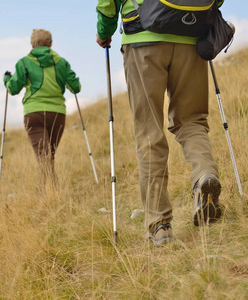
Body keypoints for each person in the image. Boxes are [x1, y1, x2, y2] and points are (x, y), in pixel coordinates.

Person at [96, 0, 224, 246]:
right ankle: (204, 175)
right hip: (190, 36)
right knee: (192, 120)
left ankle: (160, 225)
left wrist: (104, 32)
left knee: (148, 130)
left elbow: (107, 4)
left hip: (143, 37)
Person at [4, 29, 81, 183]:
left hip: (34, 113)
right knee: (47, 156)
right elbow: (75, 87)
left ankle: (49, 193)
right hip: (57, 114)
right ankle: (47, 193)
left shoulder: (24, 63)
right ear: (50, 44)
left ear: (32, 45)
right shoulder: (62, 63)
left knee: (43, 156)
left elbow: (13, 89)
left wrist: (7, 79)